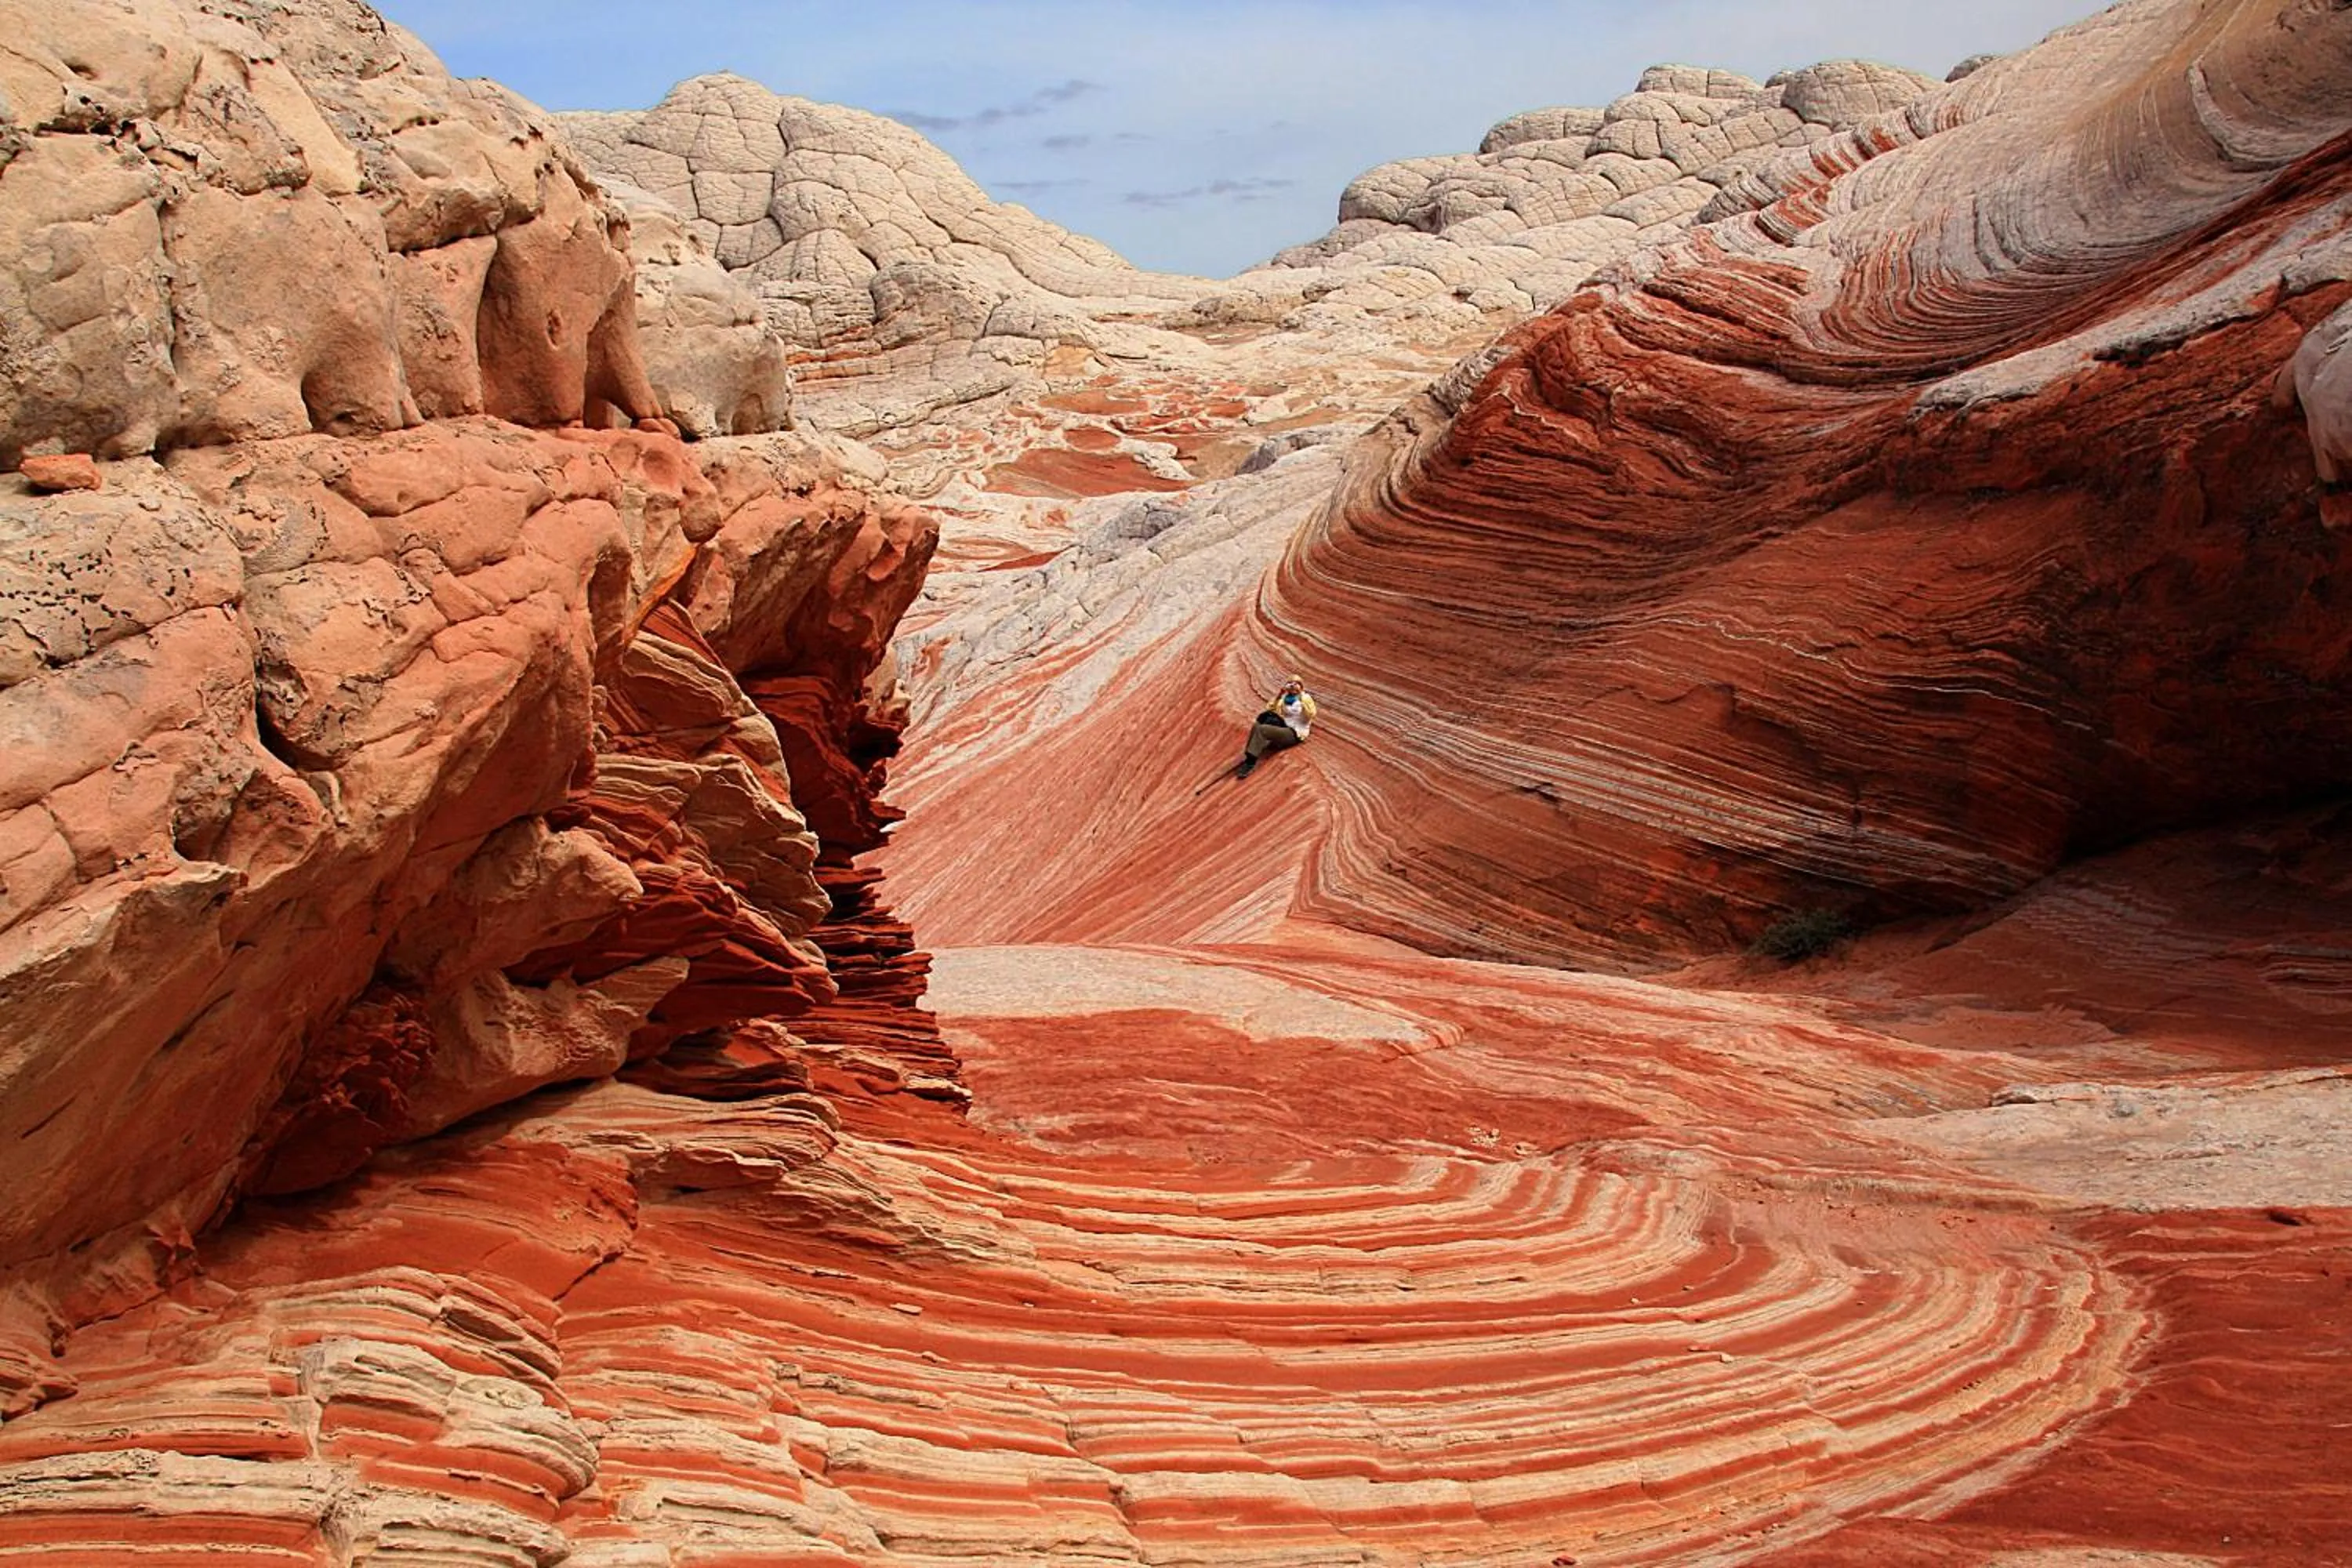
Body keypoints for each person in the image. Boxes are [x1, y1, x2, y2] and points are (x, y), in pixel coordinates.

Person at [1236, 677, 1316, 778]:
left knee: (1262, 730)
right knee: (1259, 722)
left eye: (1296, 683)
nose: (1293, 686)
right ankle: (1252, 752)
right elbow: (1271, 708)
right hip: (1285, 726)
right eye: (1290, 683)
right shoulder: (1286, 698)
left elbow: (1311, 714)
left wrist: (1301, 697)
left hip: (1295, 733)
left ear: (1301, 686)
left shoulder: (1305, 698)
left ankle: (1250, 762)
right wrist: (1280, 695)